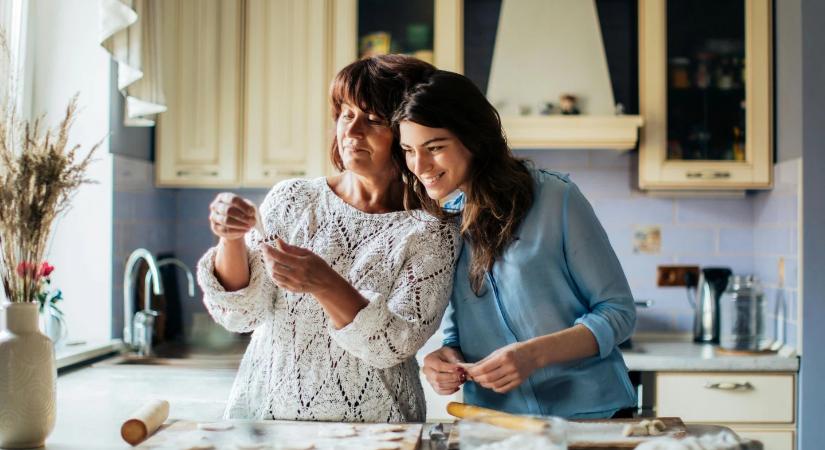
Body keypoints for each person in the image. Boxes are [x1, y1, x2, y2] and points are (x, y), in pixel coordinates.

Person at [197, 55, 459, 422]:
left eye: (372, 120)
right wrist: (231, 239)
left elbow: (392, 344)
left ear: (407, 133)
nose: (351, 133)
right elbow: (240, 314)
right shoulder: (293, 199)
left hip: (377, 430)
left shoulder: (431, 230)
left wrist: (324, 283)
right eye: (346, 114)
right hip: (267, 420)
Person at [393, 70, 637, 419]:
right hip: (497, 425)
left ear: (474, 138)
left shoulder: (557, 198)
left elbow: (619, 313)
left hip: (591, 417)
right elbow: (459, 325)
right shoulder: (440, 222)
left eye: (435, 147)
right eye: (408, 150)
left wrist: (533, 355)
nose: (420, 165)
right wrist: (446, 356)